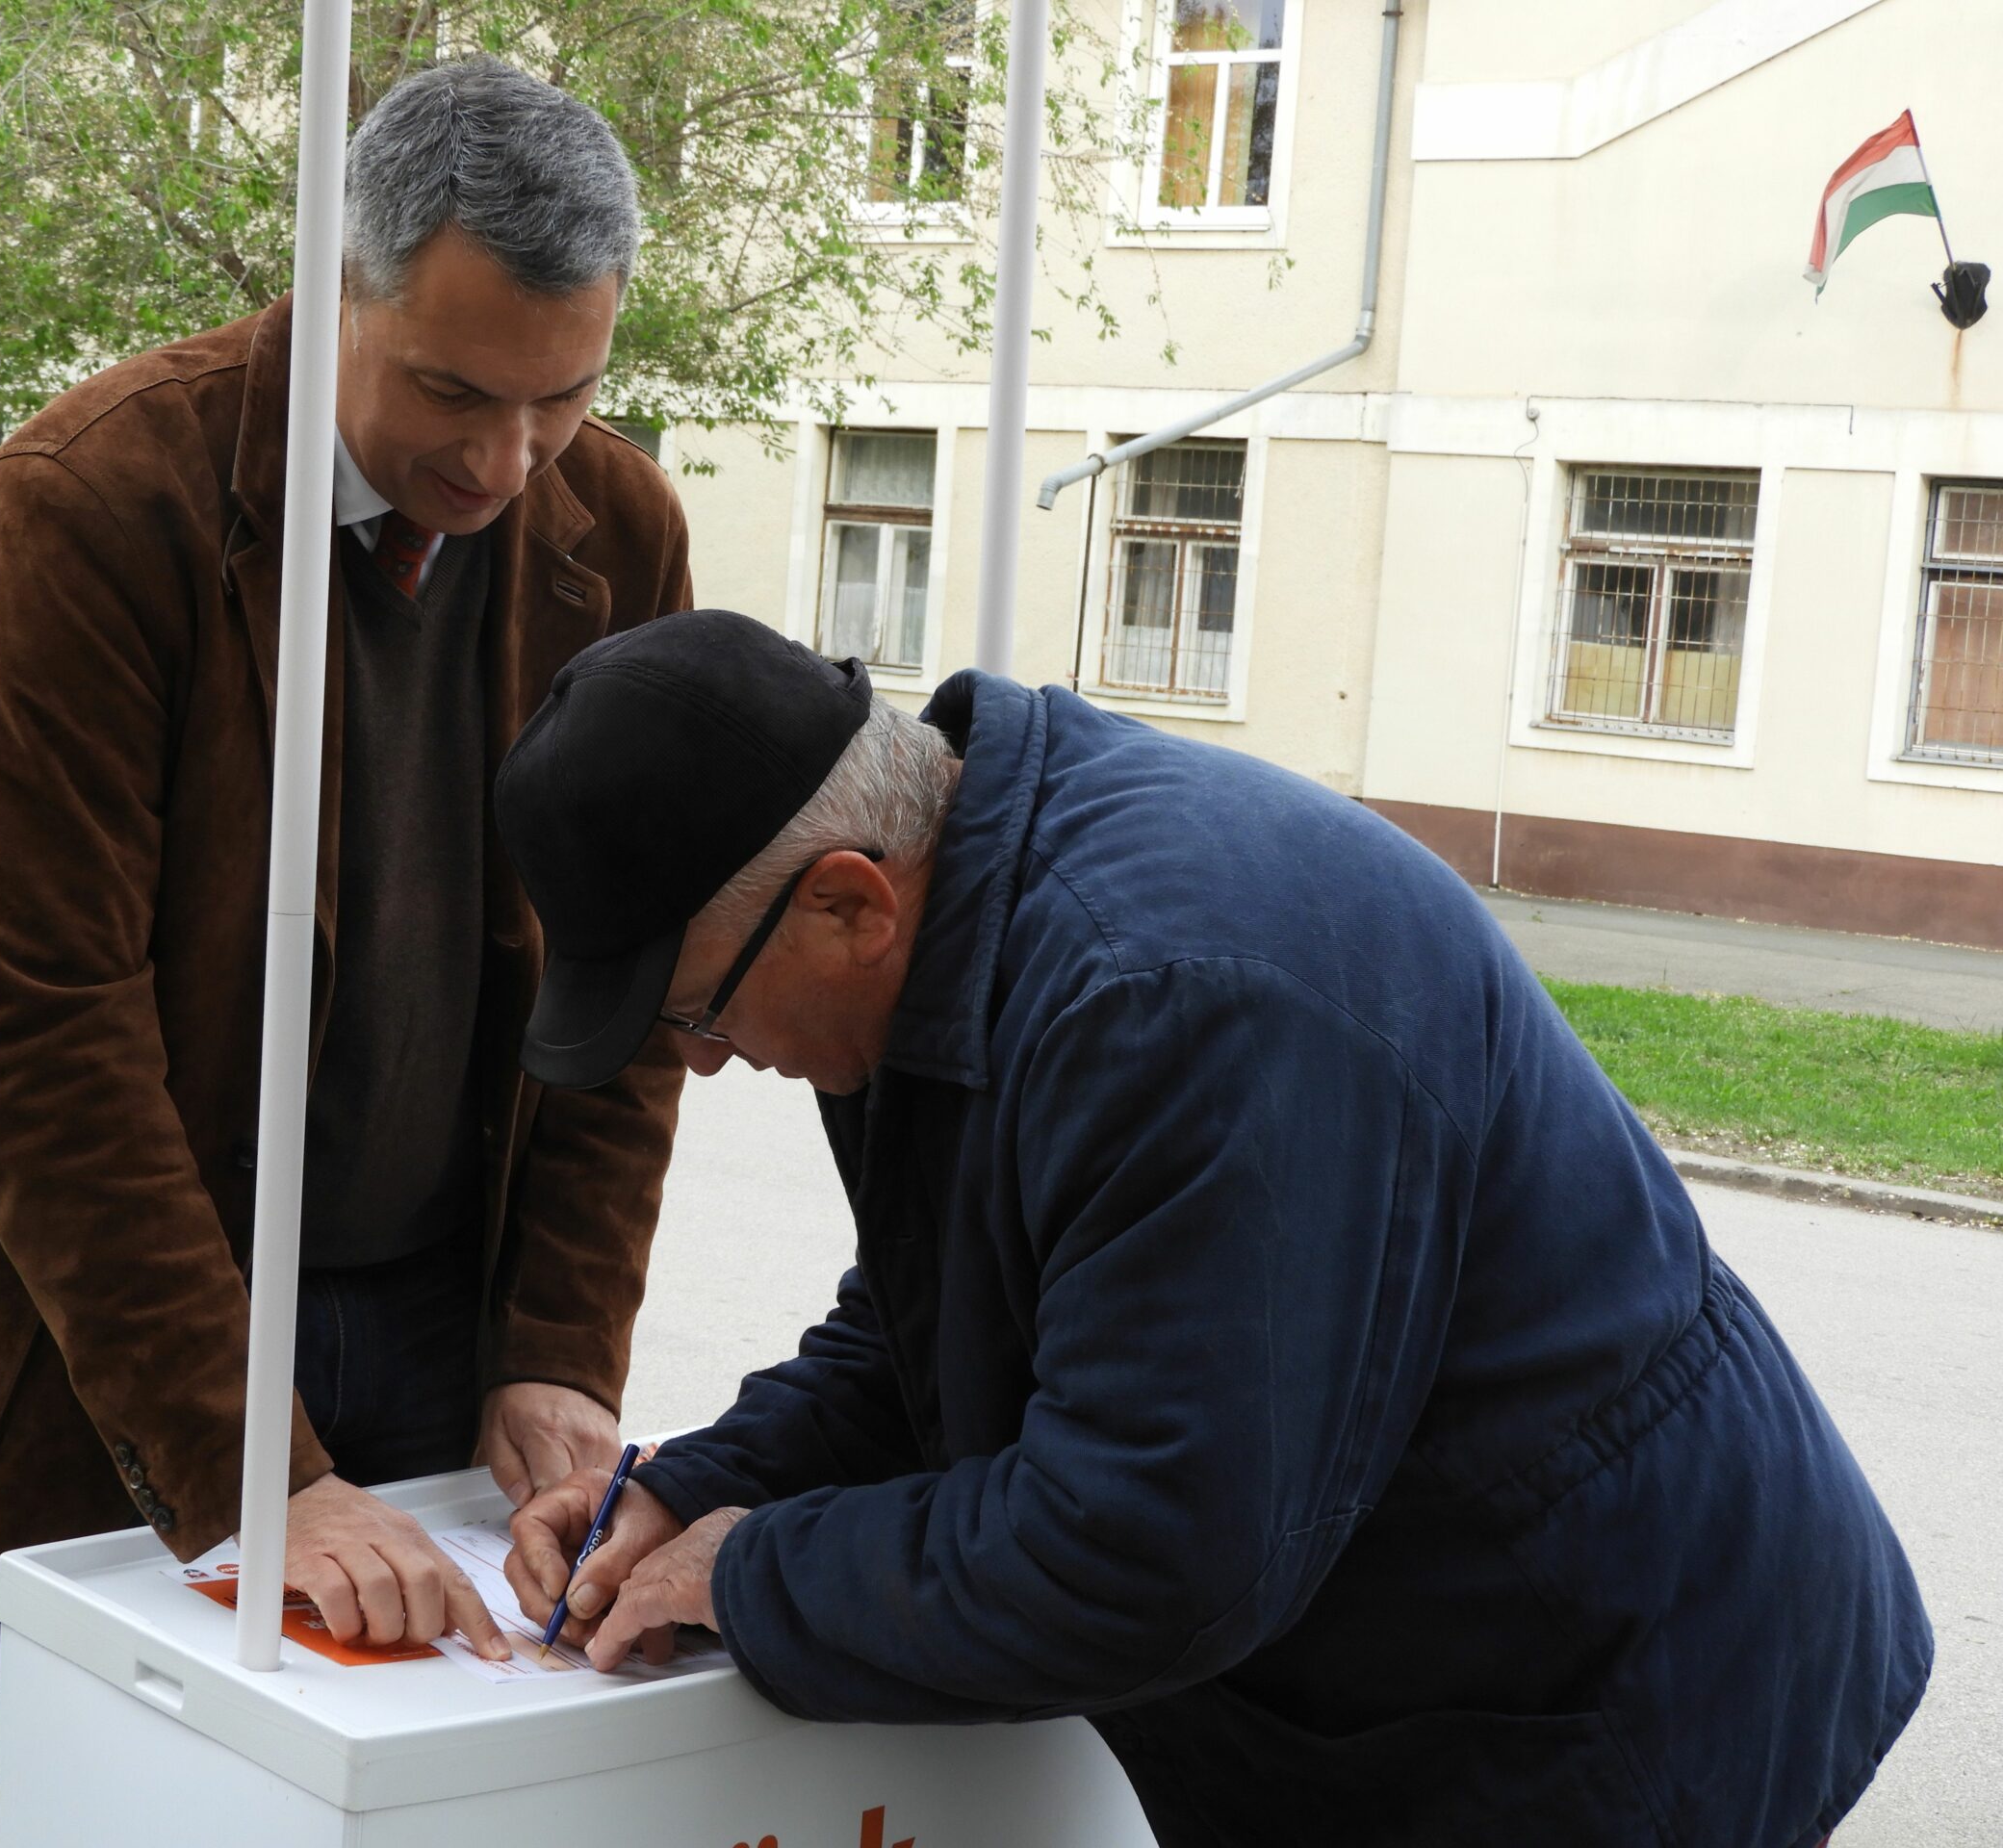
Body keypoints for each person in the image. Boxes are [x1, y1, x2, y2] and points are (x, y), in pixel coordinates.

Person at [496, 611, 1931, 1847]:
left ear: (847, 903)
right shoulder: (951, 920)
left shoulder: (1169, 1000)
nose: (700, 1061)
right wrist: (701, 1486)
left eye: (695, 1012)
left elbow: (1147, 1547)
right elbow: (938, 1315)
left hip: (1595, 1678)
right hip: (1402, 1644)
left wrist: (759, 1574)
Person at [0, 59, 692, 1764]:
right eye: (452, 390)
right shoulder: (89, 507)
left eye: (564, 396)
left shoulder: (616, 529)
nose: (508, 462)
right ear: (336, 281)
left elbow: (620, 988)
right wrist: (253, 1476)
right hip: (112, 1317)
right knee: (139, 1781)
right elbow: (33, 1032)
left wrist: (562, 1345)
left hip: (440, 1303)